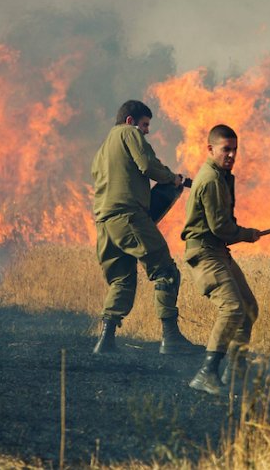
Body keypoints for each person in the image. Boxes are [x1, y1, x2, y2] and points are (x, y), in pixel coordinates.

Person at [91, 100, 194, 355]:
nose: (146, 130)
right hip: (128, 217)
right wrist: (173, 178)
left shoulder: (102, 150)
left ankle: (105, 341)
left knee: (122, 280)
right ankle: (171, 338)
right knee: (165, 270)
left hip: (105, 224)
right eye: (145, 124)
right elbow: (148, 165)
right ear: (130, 121)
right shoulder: (129, 133)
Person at [181, 124, 261, 395]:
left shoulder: (223, 176)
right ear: (211, 149)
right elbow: (221, 229)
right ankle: (206, 373)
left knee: (249, 307)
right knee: (233, 308)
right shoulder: (211, 180)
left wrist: (241, 232)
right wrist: (248, 234)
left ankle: (236, 370)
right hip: (204, 252)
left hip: (217, 250)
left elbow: (224, 226)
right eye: (226, 150)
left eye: (235, 150)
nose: (231, 155)